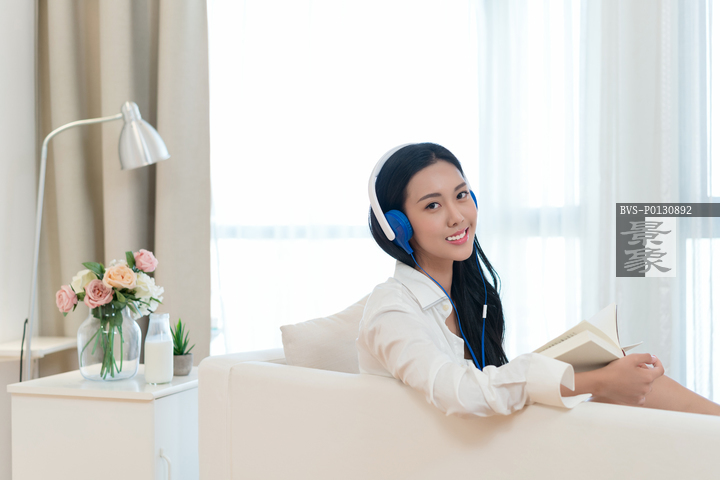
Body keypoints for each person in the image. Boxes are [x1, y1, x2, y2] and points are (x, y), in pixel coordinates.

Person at [356, 142, 720, 417]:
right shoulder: (391, 309)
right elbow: (462, 393)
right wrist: (596, 382)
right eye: (433, 205)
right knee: (613, 386)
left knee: (637, 380)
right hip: (455, 460)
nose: (457, 216)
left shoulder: (467, 295)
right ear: (398, 227)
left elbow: (493, 388)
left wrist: (595, 373)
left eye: (462, 195)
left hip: (482, 443)